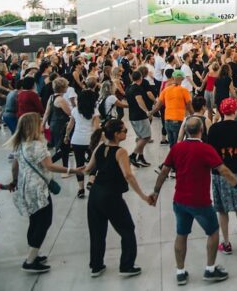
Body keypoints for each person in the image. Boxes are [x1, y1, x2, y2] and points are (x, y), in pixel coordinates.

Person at [151, 116, 237, 285]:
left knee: (181, 234)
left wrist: (155, 192)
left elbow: (164, 171)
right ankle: (210, 270)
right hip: (200, 202)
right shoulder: (206, 149)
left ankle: (180, 272)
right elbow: (224, 170)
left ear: (186, 131)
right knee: (212, 232)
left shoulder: (177, 148)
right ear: (202, 130)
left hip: (179, 201)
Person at [9, 113, 82, 273]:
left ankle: (33, 253)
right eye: (39, 122)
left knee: (34, 221)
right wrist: (73, 169)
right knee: (44, 221)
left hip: (24, 187)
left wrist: (14, 181)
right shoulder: (38, 145)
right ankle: (30, 261)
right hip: (38, 189)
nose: (43, 124)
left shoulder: (19, 144)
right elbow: (50, 166)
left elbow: (15, 167)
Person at [83, 119, 153, 277]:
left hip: (95, 194)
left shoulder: (100, 147)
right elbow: (128, 175)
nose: (126, 132)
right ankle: (126, 266)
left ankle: (96, 265)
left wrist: (69, 171)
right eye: (124, 131)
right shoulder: (120, 152)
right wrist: (143, 196)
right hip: (111, 196)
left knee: (97, 231)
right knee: (127, 229)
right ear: (116, 134)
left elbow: (87, 170)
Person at [206, 98, 237, 254]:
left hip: (220, 173)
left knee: (222, 210)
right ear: (235, 111)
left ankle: (226, 243)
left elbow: (210, 153)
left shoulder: (213, 129)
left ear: (221, 111)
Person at [64, 89, 100, 199]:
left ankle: (80, 189)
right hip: (90, 140)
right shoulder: (95, 111)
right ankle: (91, 181)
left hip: (77, 140)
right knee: (94, 161)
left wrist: (66, 136)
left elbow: (70, 126)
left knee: (79, 164)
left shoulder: (75, 110)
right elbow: (96, 128)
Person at [150, 70, 192, 148]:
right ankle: (176, 159)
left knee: (172, 144)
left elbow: (158, 106)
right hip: (178, 120)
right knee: (178, 145)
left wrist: (150, 113)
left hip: (167, 120)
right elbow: (189, 106)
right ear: (182, 79)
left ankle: (172, 158)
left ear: (173, 78)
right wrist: (194, 115)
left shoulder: (165, 90)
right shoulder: (184, 91)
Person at [124, 71, 152, 167]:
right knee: (146, 137)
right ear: (140, 78)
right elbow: (139, 100)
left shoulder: (128, 87)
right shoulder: (137, 88)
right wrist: (147, 111)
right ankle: (133, 155)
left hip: (132, 116)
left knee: (141, 137)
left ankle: (140, 157)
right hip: (140, 116)